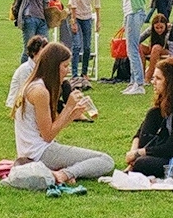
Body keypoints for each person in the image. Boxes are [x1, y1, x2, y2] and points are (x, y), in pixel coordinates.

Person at [11, 42, 113, 184]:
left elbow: (46, 130)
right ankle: (64, 174)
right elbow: (47, 135)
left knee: (90, 158)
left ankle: (61, 171)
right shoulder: (40, 92)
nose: (67, 70)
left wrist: (72, 114)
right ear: (54, 66)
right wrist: (68, 107)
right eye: (65, 66)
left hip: (31, 150)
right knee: (105, 160)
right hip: (39, 152)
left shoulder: (34, 84)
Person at [115, 0, 149, 95]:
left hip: (136, 12)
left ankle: (139, 84)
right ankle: (132, 81)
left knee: (133, 48)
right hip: (129, 13)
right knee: (130, 49)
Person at [68, 0, 102, 90]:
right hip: (76, 15)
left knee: (87, 47)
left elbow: (97, 0)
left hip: (88, 16)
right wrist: (73, 20)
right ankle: (75, 74)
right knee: (76, 46)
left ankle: (84, 73)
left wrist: (98, 20)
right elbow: (73, 0)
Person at [7, 35, 48, 110]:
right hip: (21, 104)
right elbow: (24, 92)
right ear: (34, 52)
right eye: (43, 52)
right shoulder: (25, 69)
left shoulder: (41, 67)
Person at [139, 13, 171, 87]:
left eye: (161, 27)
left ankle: (148, 77)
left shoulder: (170, 31)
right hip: (154, 50)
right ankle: (141, 75)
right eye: (157, 28)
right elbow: (139, 39)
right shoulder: (151, 30)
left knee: (156, 47)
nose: (159, 30)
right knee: (138, 47)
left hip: (167, 51)